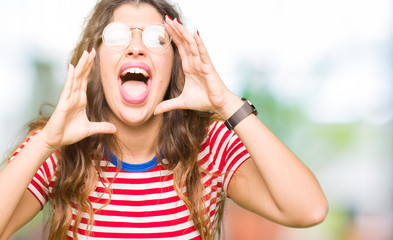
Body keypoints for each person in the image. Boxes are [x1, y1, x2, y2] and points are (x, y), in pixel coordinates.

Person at [0, 0, 328, 239]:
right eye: (117, 36)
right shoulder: (59, 147)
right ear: (97, 61)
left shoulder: (209, 146)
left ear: (173, 65)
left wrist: (227, 102)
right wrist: (45, 143)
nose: (136, 48)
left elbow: (309, 209)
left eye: (156, 38)